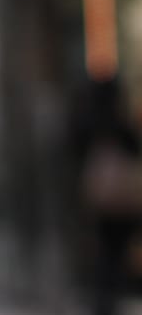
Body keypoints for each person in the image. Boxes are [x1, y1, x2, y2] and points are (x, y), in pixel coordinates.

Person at [70, 76, 142, 315]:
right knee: (114, 252)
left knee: (105, 251)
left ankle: (105, 298)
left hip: (100, 197)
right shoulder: (117, 122)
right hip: (118, 198)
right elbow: (132, 148)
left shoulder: (88, 121)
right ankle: (109, 298)